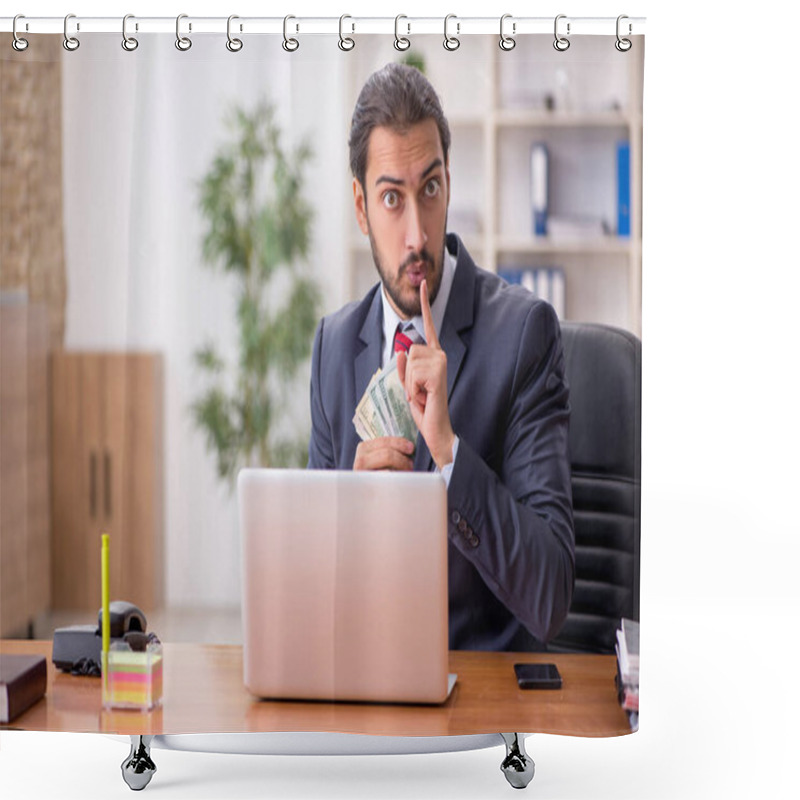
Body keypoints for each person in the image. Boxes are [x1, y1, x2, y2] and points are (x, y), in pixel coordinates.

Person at [307, 63, 574, 652]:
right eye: (391, 199)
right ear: (360, 207)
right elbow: (310, 588)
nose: (415, 235)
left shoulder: (525, 334)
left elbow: (551, 594)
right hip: (365, 685)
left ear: (449, 183)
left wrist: (450, 456)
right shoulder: (333, 346)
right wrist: (347, 516)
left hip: (481, 700)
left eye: (429, 190)